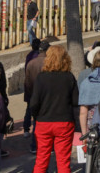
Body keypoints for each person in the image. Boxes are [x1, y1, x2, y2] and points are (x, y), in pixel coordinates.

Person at [29, 45, 79, 173]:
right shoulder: (69, 77)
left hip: (44, 122)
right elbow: (75, 102)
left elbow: (34, 103)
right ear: (65, 59)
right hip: (64, 122)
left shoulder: (41, 77)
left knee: (41, 160)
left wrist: (37, 117)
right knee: (63, 162)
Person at [23, 40, 49, 149]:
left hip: (33, 95)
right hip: (45, 96)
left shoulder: (31, 62)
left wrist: (29, 96)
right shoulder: (49, 62)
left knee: (34, 119)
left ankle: (33, 143)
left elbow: (27, 82)